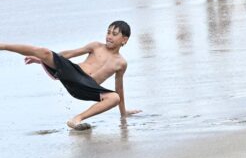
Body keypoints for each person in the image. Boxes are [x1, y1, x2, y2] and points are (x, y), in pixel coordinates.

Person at [0, 21, 141, 130]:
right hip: (74, 73)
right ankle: (4, 46)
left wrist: (123, 113)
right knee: (45, 52)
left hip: (87, 88)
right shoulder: (96, 46)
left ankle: (76, 119)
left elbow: (119, 88)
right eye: (108, 32)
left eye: (114, 34)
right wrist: (42, 60)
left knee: (114, 97)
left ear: (124, 40)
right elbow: (70, 54)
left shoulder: (121, 63)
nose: (109, 36)